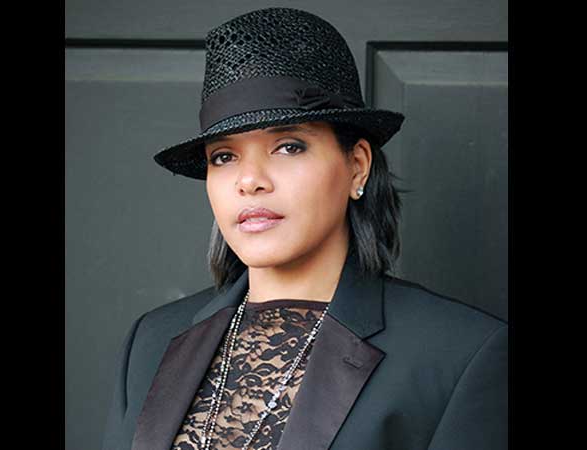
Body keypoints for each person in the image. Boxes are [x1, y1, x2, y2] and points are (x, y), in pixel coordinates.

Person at [101, 7, 508, 450]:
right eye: (224, 156)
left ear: (357, 166)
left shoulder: (462, 353)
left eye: (288, 147)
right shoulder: (152, 339)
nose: (249, 180)